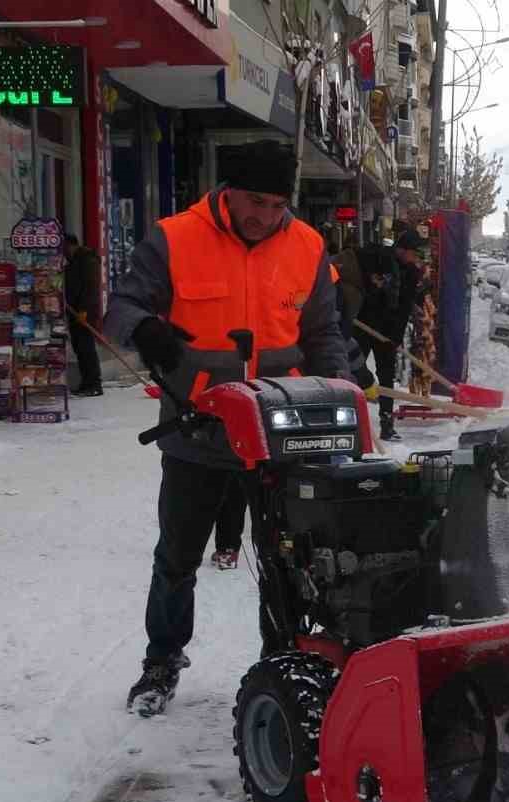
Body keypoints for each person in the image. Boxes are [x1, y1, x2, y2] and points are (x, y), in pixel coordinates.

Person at [104, 140, 350, 716]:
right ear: (228, 190)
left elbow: (323, 333)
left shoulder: (307, 246)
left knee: (286, 558)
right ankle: (161, 662)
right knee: (177, 557)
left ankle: (282, 662)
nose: (266, 217)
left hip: (278, 431)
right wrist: (148, 332)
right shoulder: (174, 238)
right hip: (198, 426)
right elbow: (122, 308)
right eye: (255, 202)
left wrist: (337, 389)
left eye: (276, 204)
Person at [353, 226, 421, 440]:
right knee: (354, 372)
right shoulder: (380, 258)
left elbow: (404, 308)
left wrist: (395, 339)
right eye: (414, 252)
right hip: (364, 325)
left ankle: (386, 423)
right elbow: (358, 270)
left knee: (386, 378)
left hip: (387, 335)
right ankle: (351, 423)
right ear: (402, 249)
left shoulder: (411, 273)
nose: (415, 257)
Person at [62, 234, 104, 397]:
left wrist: (84, 310)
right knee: (79, 348)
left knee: (86, 348)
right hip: (75, 311)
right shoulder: (73, 262)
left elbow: (90, 288)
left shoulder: (87, 261)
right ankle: (86, 383)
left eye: (64, 248)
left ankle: (94, 384)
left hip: (84, 312)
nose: (63, 252)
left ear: (71, 245)